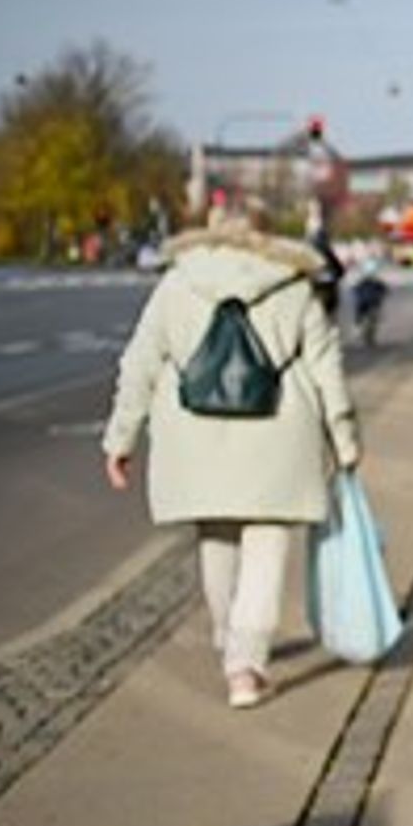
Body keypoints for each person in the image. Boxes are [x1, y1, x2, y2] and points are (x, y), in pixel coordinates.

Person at [101, 209, 361, 709]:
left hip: (195, 438)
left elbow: (139, 364)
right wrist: (345, 442)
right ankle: (245, 667)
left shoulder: (177, 284)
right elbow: (327, 369)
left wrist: (121, 440)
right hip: (278, 435)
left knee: (216, 538)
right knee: (267, 546)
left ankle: (226, 632)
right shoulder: (293, 287)